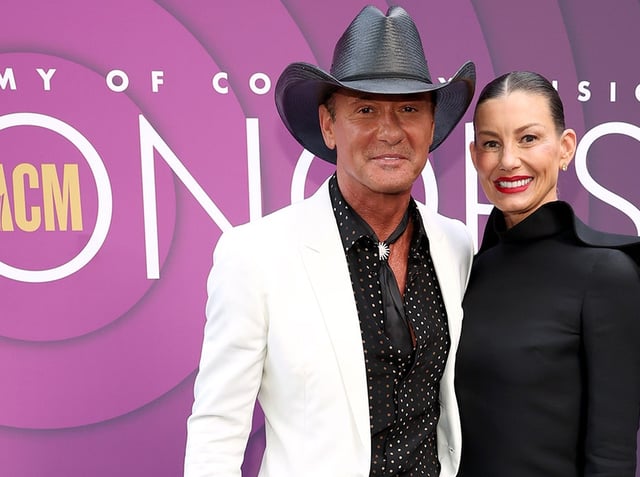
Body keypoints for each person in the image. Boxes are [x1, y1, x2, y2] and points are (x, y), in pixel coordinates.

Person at [184, 6, 476, 477]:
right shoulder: (256, 255)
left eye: (408, 109)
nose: (390, 131)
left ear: (430, 126)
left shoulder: (456, 245)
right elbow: (216, 433)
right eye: (365, 110)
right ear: (327, 125)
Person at [455, 71, 640, 477]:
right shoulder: (471, 270)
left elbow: (611, 458)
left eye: (528, 138)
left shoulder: (606, 275)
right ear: (474, 156)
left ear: (565, 147)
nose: (508, 160)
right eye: (491, 143)